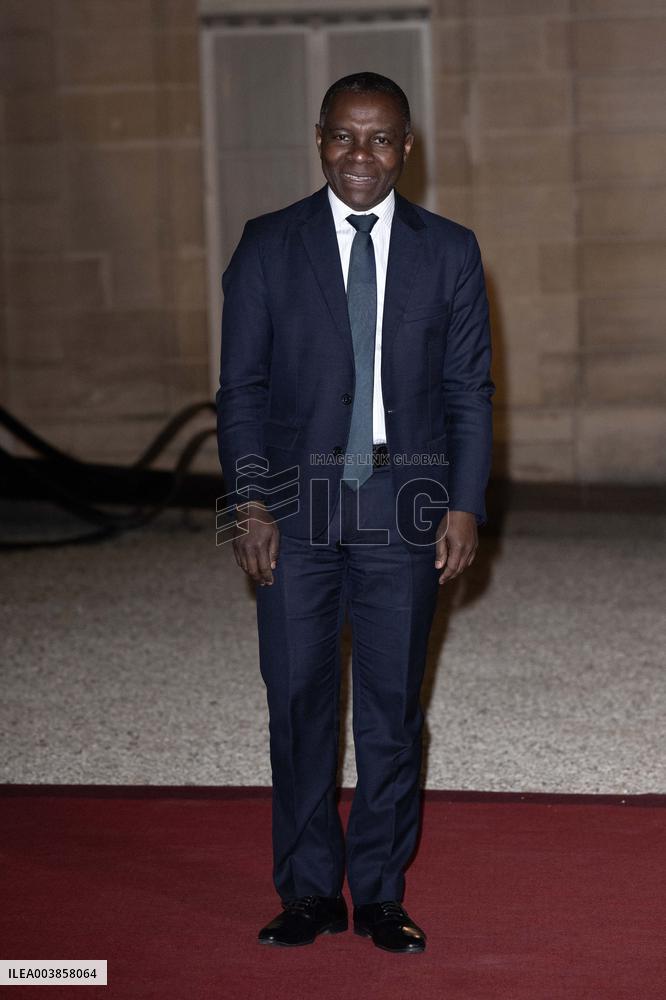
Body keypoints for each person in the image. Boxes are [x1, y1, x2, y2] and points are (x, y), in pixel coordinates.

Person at [216, 71, 494, 954]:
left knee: (389, 709)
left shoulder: (450, 250)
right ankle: (307, 891)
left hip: (403, 504)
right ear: (319, 138)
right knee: (297, 703)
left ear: (407, 148)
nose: (359, 155)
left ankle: (378, 891)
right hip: (293, 509)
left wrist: (464, 503)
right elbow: (241, 390)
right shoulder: (267, 246)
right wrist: (249, 501)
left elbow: (468, 391)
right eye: (343, 136)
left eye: (379, 139)